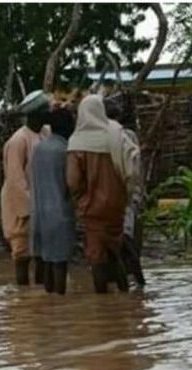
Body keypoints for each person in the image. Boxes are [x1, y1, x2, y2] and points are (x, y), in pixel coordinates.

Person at [67, 95, 134, 294]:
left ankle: (102, 300)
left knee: (96, 255)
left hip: (93, 207)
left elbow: (72, 181)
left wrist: (81, 200)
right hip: (116, 204)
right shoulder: (116, 135)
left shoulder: (77, 141)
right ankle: (124, 295)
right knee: (114, 248)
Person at [0, 90, 51, 285]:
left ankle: (40, 301)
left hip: (43, 203)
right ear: (35, 113)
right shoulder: (18, 141)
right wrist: (28, 209)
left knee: (42, 255)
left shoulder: (47, 133)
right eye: (45, 110)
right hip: (22, 206)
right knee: (22, 255)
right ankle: (23, 301)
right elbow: (15, 179)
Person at [30, 107, 76, 295]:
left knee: (47, 260)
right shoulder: (65, 150)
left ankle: (49, 306)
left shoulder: (39, 148)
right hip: (60, 212)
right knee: (59, 262)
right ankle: (59, 304)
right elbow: (71, 183)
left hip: (40, 212)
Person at [104, 100, 145, 287]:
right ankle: (133, 280)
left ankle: (133, 279)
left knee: (124, 239)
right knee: (127, 237)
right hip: (129, 194)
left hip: (122, 194)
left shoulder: (120, 136)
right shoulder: (126, 135)